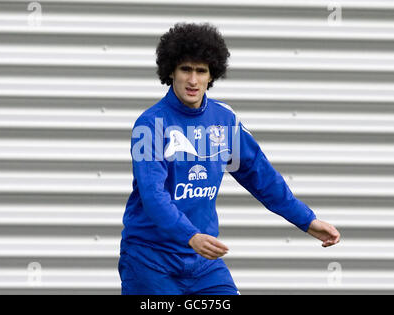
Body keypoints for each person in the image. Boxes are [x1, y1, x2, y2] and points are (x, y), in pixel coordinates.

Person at [119, 22, 340, 295]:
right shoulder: (150, 125)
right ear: (171, 72)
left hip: (202, 261)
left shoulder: (224, 121)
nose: (193, 80)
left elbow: (258, 175)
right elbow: (153, 196)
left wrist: (305, 219)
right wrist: (189, 235)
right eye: (185, 69)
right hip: (150, 260)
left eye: (201, 71)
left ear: (212, 75)